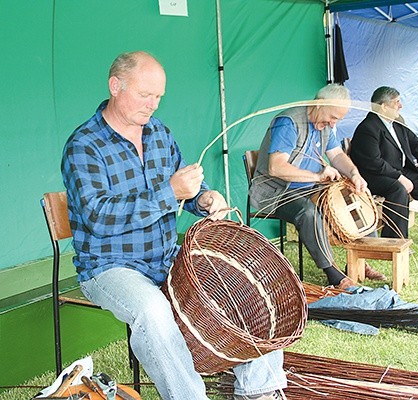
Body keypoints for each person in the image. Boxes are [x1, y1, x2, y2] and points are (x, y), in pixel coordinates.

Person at [61, 51, 286, 400]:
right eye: (144, 94)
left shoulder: (159, 135)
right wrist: (169, 193)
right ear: (115, 86)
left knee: (241, 288)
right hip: (110, 267)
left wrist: (205, 199)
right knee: (153, 310)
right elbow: (98, 218)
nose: (152, 105)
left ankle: (260, 391)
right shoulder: (84, 146)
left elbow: (188, 188)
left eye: (158, 97)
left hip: (164, 257)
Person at [249, 84, 386, 290]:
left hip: (308, 188)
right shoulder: (288, 122)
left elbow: (337, 156)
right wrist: (317, 175)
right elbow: (276, 167)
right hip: (277, 192)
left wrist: (355, 174)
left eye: (337, 120)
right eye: (333, 117)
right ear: (319, 104)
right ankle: (334, 275)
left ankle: (360, 261)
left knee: (354, 196)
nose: (333, 123)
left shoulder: (325, 126)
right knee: (308, 212)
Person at [349, 86, 418, 247]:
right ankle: (395, 240)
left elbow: (417, 145)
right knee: (398, 188)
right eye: (396, 102)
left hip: (397, 172)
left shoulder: (397, 124)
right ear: (383, 106)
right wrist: (399, 177)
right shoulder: (368, 128)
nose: (401, 105)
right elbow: (374, 162)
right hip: (373, 176)